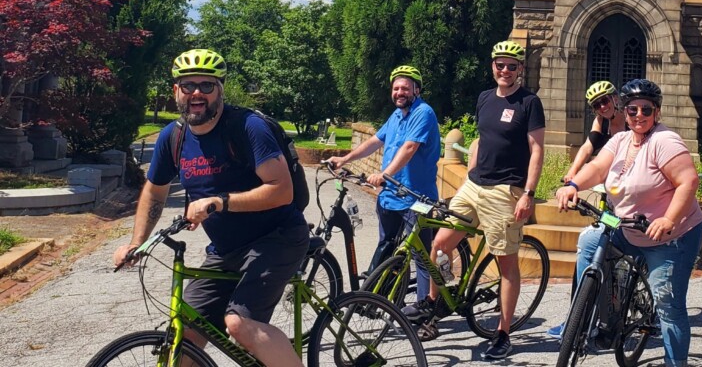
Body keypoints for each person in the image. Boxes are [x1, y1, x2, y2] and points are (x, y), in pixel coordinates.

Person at [113, 49, 309, 367]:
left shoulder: (247, 128)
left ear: (220, 90)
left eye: (207, 85)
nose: (197, 93)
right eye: (188, 85)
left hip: (278, 237)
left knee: (239, 323)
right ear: (175, 91)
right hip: (225, 250)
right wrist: (138, 242)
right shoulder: (173, 138)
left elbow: (282, 191)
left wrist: (220, 202)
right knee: (187, 333)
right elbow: (155, 190)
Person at [555, 78, 702, 367]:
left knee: (668, 305)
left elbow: (689, 181)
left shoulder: (664, 141)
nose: (638, 116)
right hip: (628, 228)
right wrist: (573, 184)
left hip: (670, 237)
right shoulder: (621, 140)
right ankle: (598, 316)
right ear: (624, 111)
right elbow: (598, 168)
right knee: (589, 241)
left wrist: (668, 219)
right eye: (632, 109)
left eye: (646, 110)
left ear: (656, 113)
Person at [429, 40, 545, 359]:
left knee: (505, 264)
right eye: (499, 64)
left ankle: (503, 332)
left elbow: (536, 150)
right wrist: (469, 175)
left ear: (520, 69)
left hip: (505, 190)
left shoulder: (529, 102)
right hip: (475, 186)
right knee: (439, 245)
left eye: (511, 65)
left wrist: (529, 194)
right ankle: (436, 303)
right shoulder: (484, 98)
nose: (504, 70)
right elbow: (480, 138)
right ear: (492, 66)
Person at [325, 65, 440, 318]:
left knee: (420, 258)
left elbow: (409, 148)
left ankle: (425, 316)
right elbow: (374, 142)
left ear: (416, 90)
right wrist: (344, 160)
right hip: (390, 197)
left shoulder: (424, 113)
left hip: (417, 198)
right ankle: (380, 300)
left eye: (405, 88)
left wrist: (384, 174)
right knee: (387, 247)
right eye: (396, 88)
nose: (400, 92)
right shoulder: (396, 115)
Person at [547, 79, 628, 338]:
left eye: (605, 100)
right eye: (596, 105)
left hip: (631, 191)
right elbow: (588, 147)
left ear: (616, 98)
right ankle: (578, 319)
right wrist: (572, 176)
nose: (602, 107)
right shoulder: (602, 122)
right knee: (597, 247)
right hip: (610, 189)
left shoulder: (631, 118)